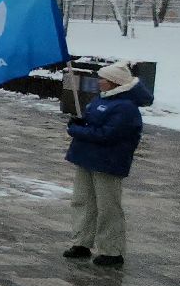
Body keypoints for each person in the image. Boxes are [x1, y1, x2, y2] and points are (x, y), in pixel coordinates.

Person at [62, 60, 147, 269]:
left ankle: (112, 249)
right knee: (83, 201)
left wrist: (76, 131)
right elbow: (95, 125)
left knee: (108, 206)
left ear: (114, 82)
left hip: (108, 162)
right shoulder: (103, 100)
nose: (99, 82)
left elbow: (107, 134)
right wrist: (82, 123)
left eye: (103, 79)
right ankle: (81, 242)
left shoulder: (126, 108)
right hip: (87, 158)